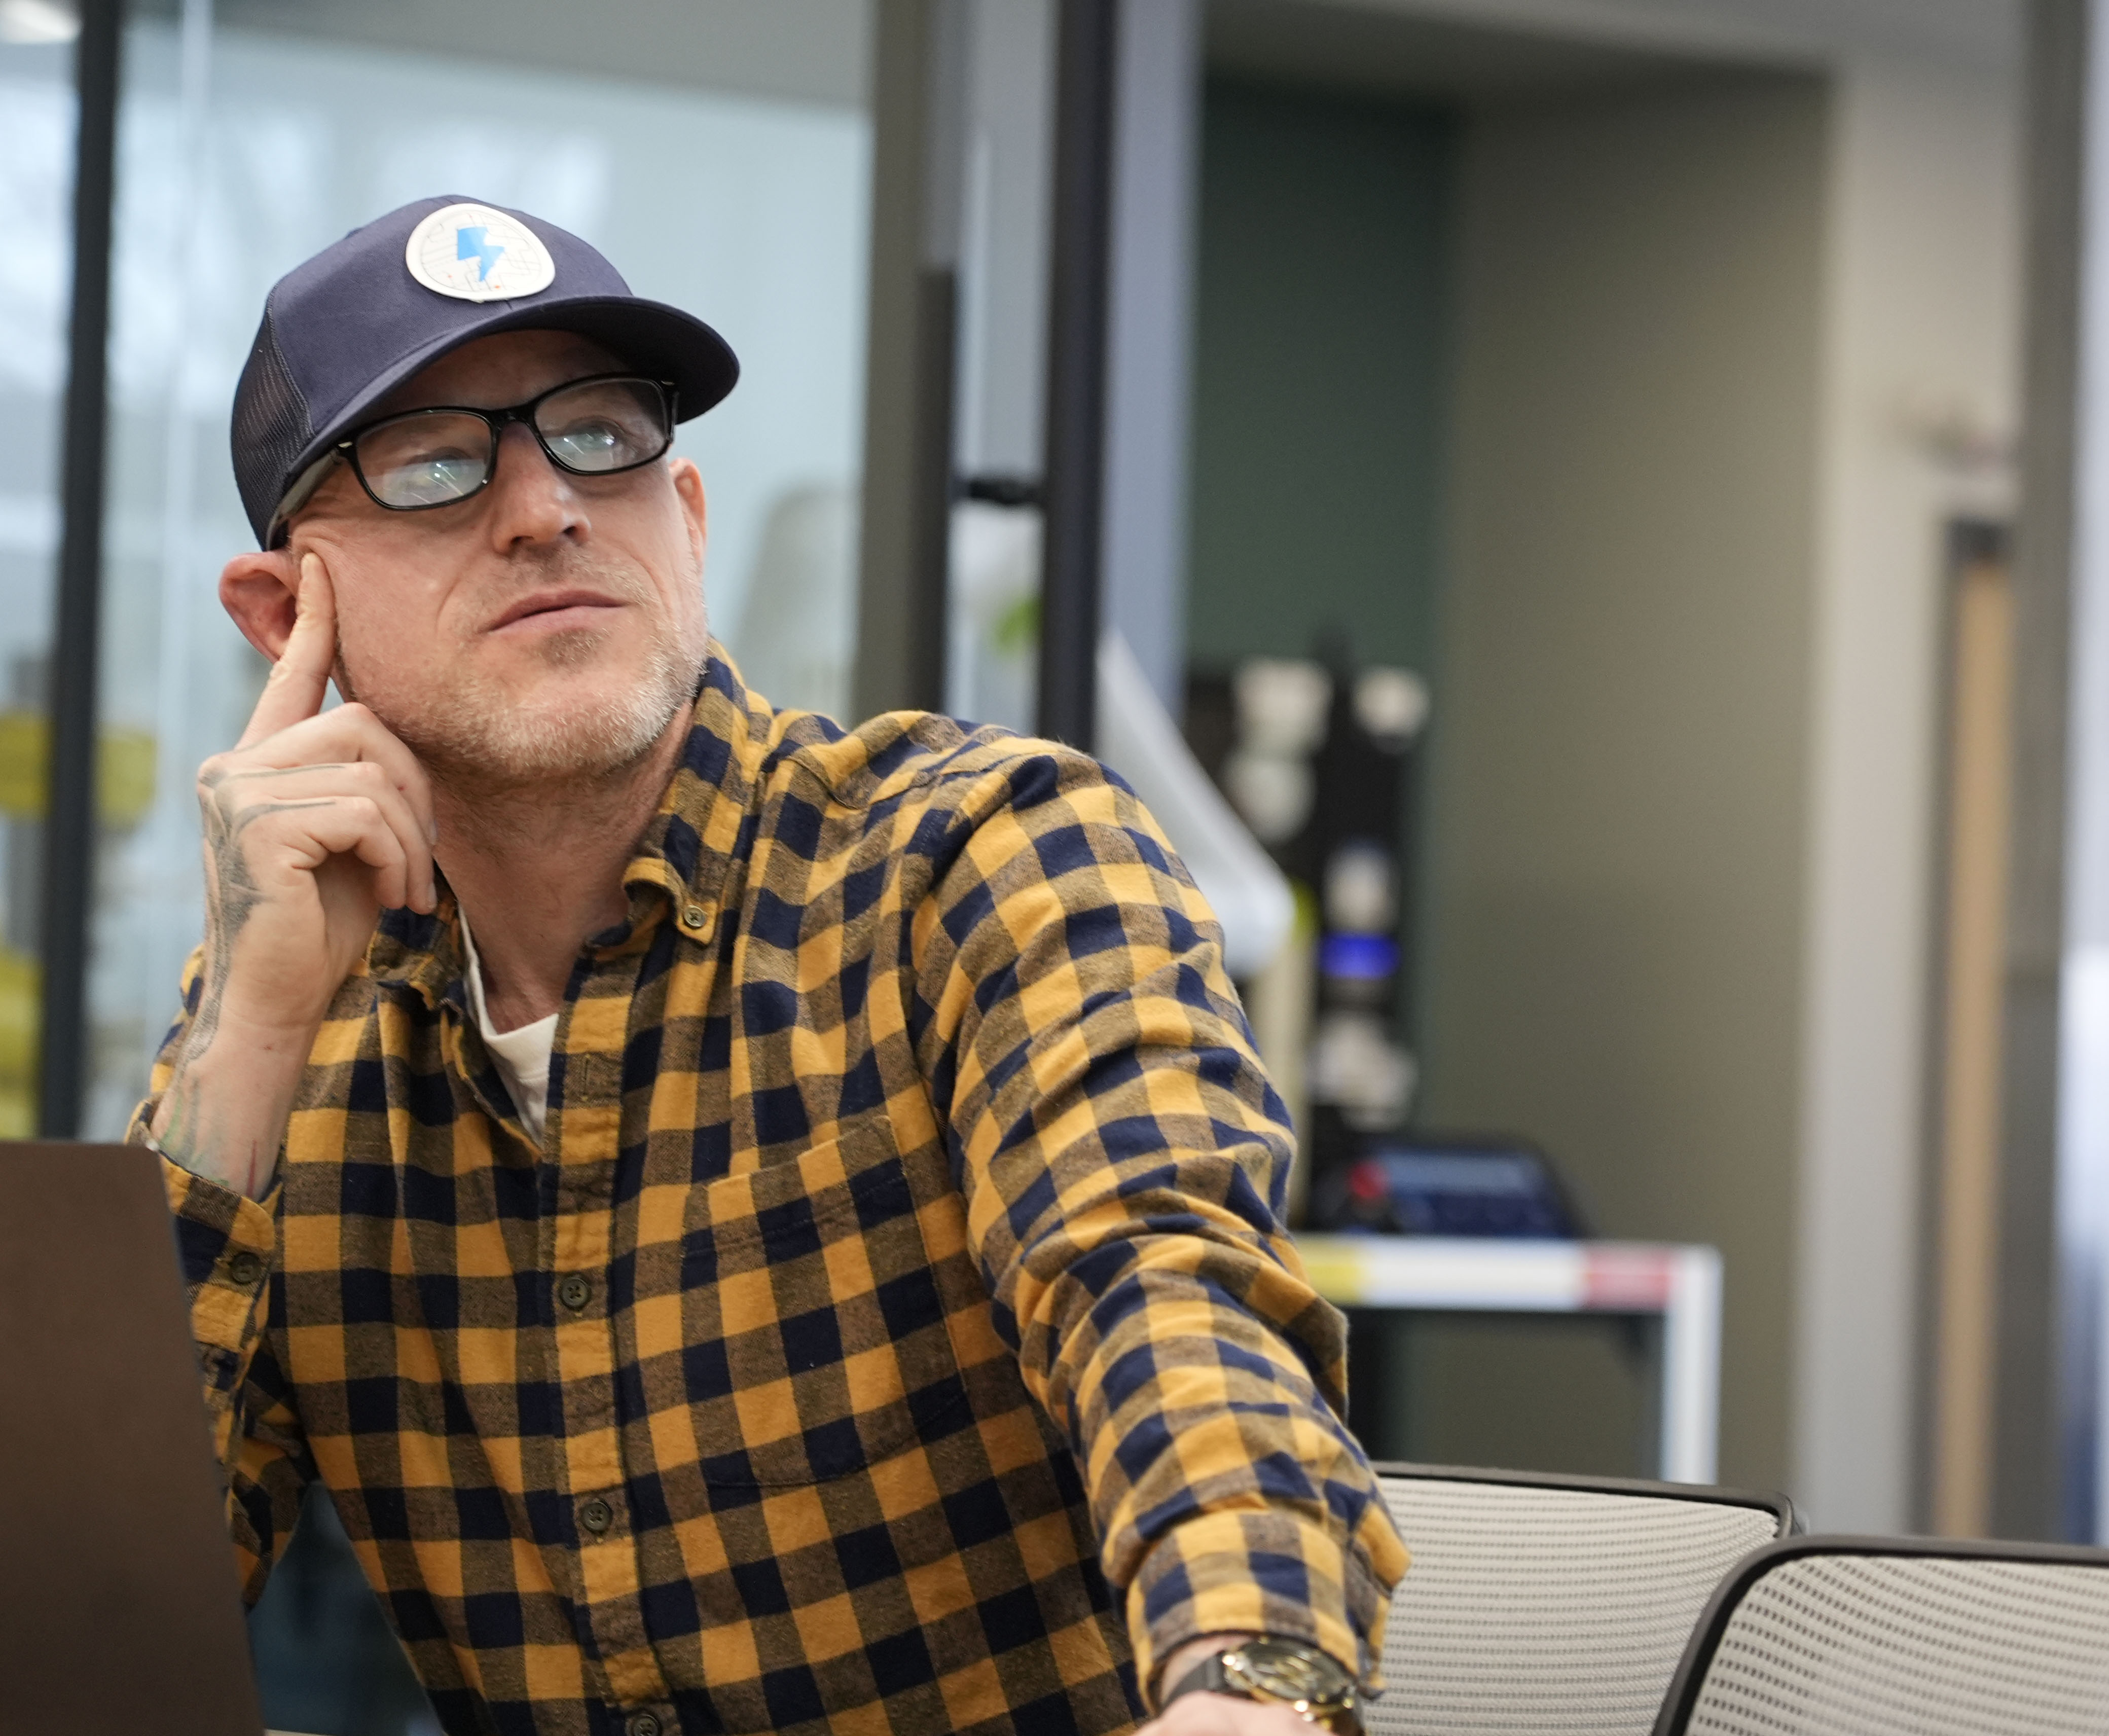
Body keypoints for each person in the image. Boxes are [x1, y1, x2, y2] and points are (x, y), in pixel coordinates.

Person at [138, 195, 1407, 1736]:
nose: (544, 507)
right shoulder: (299, 1027)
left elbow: (1171, 1306)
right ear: (286, 616)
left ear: (685, 519)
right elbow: (59, 1624)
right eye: (434, 462)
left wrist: (1250, 1695)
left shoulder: (973, 865)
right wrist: (248, 1036)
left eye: (599, 436)